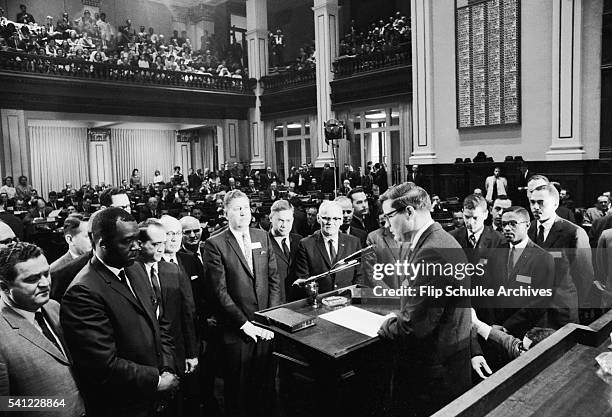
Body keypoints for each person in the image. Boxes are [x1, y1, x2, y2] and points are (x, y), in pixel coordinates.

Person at [60, 208, 180, 416]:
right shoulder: (83, 291)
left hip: (158, 396)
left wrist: (168, 367)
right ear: (101, 243)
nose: (137, 246)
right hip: (125, 405)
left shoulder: (135, 268)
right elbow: (103, 364)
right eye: (127, 241)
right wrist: (157, 380)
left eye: (137, 239)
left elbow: (160, 322)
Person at [377, 183, 472, 416]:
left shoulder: (431, 252)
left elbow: (414, 328)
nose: (387, 225)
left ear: (409, 212)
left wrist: (386, 324)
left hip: (433, 376)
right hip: (446, 365)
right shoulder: (439, 239)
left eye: (389, 216)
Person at [203, 190, 280, 417]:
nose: (243, 212)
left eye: (246, 207)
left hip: (266, 329)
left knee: (266, 390)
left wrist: (270, 319)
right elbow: (219, 292)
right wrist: (246, 324)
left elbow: (274, 279)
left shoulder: (262, 236)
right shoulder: (214, 244)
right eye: (237, 209)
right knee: (238, 395)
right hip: (237, 332)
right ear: (226, 213)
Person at [0, 242, 85, 417]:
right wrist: (56, 403)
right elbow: (3, 404)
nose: (45, 283)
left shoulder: (54, 307)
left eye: (46, 273)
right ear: (4, 287)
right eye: (32, 279)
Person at [136, 218, 199, 416]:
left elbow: (186, 314)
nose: (161, 248)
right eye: (155, 244)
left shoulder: (173, 270)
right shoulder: (130, 273)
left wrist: (191, 352)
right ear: (139, 244)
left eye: (163, 243)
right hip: (144, 357)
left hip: (176, 352)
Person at [527, 182, 593, 308]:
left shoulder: (574, 233)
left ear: (555, 204)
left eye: (541, 202)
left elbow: (584, 277)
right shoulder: (526, 230)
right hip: (530, 311)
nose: (535, 207)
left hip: (561, 312)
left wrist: (572, 305)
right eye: (532, 202)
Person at [293, 201, 363, 296]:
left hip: (347, 301)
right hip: (320, 304)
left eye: (336, 219)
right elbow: (304, 280)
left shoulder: (354, 243)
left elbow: (359, 275)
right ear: (318, 218)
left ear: (342, 220)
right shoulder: (306, 244)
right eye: (326, 218)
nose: (330, 222)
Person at [268, 200, 302, 302]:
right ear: (270, 218)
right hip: (274, 302)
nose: (284, 225)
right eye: (280, 220)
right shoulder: (263, 242)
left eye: (288, 221)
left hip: (297, 301)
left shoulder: (300, 240)